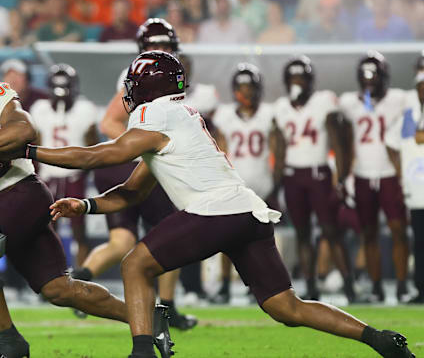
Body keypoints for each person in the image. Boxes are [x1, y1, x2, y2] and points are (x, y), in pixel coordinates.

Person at [28, 50, 414, 358]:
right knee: (286, 307)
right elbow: (132, 191)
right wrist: (86, 205)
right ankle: (380, 340)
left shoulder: (155, 113)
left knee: (135, 264)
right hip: (246, 210)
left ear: (147, 88)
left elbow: (99, 156)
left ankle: (143, 351)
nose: (128, 93)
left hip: (215, 210)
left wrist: (30, 149)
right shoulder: (177, 119)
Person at [0, 45, 172, 358]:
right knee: (59, 290)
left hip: (25, 191)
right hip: (0, 199)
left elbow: (24, 130)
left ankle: (10, 342)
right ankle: (146, 317)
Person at [89, 18, 197, 330]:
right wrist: (139, 147)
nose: (160, 51)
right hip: (151, 162)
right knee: (164, 230)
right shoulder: (137, 74)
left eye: (165, 45)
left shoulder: (173, 70)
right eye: (154, 46)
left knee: (171, 230)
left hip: (165, 160)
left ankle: (168, 305)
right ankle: (164, 308)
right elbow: (110, 121)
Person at [273, 55, 356, 302]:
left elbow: (338, 143)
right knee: (302, 234)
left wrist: (341, 179)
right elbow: (279, 149)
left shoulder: (324, 102)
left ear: (310, 80)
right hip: (292, 175)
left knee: (332, 231)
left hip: (319, 173)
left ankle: (349, 285)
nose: (297, 82)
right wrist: (275, 183)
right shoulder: (281, 107)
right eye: (293, 77)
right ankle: (310, 286)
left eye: (301, 77)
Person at [339, 51, 410, 303]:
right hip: (362, 174)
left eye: (374, 76)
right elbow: (344, 140)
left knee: (398, 229)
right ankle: (377, 285)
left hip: (390, 174)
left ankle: (402, 284)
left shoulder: (400, 99)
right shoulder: (350, 103)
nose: (369, 81)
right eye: (365, 76)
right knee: (368, 233)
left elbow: (409, 134)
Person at [209, 63, 277, 304]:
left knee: (258, 241)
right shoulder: (225, 116)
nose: (246, 93)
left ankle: (257, 285)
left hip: (262, 185)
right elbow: (221, 148)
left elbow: (277, 149)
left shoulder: (269, 115)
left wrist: (276, 181)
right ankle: (226, 285)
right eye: (242, 87)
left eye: (250, 88)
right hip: (234, 186)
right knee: (227, 239)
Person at [28, 64, 99, 267]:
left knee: (78, 230)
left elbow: (93, 147)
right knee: (49, 230)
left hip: (74, 176)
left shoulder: (85, 109)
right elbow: (37, 143)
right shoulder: (40, 109)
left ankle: (80, 275)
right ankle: (53, 274)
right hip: (49, 176)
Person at [385, 59, 424, 304]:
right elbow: (390, 142)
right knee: (419, 241)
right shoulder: (409, 115)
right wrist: (400, 171)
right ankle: (421, 287)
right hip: (417, 189)